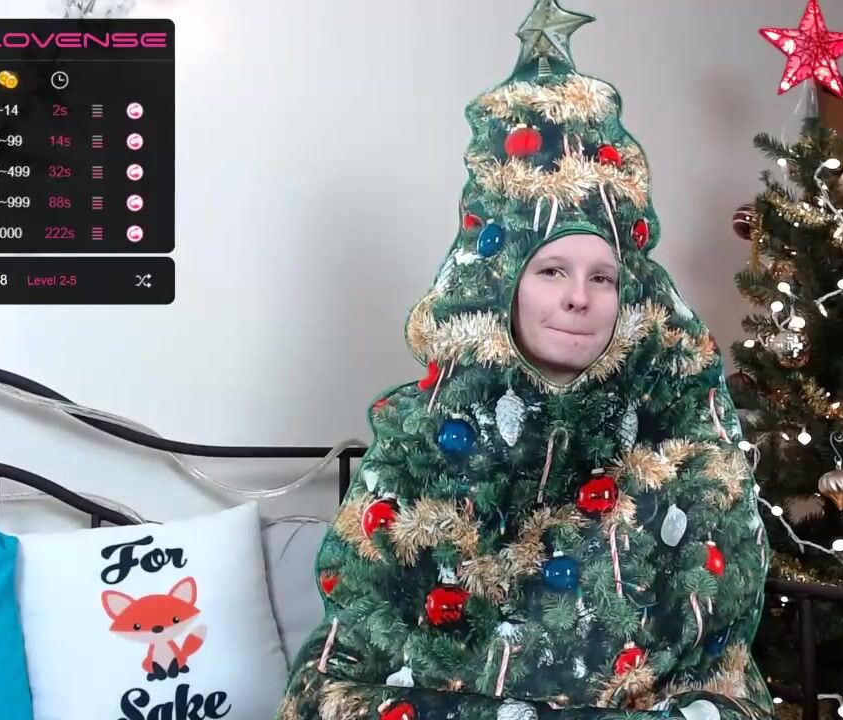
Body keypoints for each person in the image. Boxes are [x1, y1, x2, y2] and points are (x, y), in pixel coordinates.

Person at [273, 3, 774, 719]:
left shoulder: (680, 451)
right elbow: (341, 672)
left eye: (603, 278)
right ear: (504, 283)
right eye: (551, 271)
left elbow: (717, 676)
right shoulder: (422, 447)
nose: (579, 297)